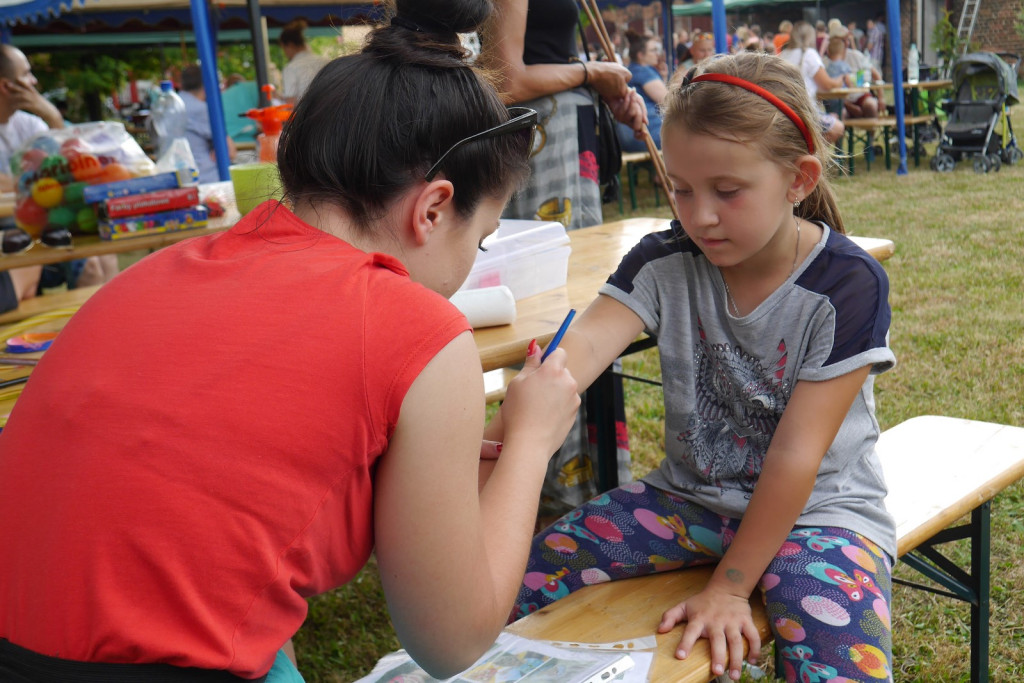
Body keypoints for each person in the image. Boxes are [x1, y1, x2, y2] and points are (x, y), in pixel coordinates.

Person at [0, 2, 582, 681]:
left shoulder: (161, 270)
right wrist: (533, 443)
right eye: (478, 241)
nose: (469, 264)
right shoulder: (417, 329)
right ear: (431, 209)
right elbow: (451, 641)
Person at [503, 50, 896, 683]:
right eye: (681, 188)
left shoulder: (847, 287)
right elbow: (580, 352)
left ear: (798, 179)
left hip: (821, 514)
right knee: (524, 572)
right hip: (688, 502)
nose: (699, 215)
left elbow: (797, 460)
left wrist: (732, 586)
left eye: (727, 192)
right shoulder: (662, 262)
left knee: (839, 662)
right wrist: (512, 422)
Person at [0, 44, 64, 311]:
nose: (34, 81)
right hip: (13, 229)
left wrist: (52, 115)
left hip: (36, 222)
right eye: (27, 74)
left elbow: (67, 169)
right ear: (7, 86)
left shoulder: (30, 123)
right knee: (29, 257)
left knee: (97, 259)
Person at [779, 21, 850, 145]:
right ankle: (812, 153)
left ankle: (804, 151)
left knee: (829, 117)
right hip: (804, 113)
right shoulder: (809, 54)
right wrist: (839, 80)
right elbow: (827, 85)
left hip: (783, 111)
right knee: (837, 127)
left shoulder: (783, 54)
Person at [180, 65, 237, 184]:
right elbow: (230, 151)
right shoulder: (201, 109)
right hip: (204, 177)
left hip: (174, 175)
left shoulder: (171, 106)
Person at [616, 31, 667, 152]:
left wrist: (663, 78)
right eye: (653, 50)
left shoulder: (631, 70)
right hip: (647, 134)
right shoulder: (644, 71)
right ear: (640, 55)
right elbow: (668, 101)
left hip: (628, 136)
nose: (657, 54)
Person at [825, 36, 881, 119]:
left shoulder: (856, 56)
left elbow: (875, 75)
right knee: (841, 113)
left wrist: (881, 98)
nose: (846, 43)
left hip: (855, 97)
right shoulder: (837, 65)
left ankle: (871, 130)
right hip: (842, 100)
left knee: (870, 105)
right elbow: (850, 84)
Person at [279, 20, 329, 104]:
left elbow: (290, 104)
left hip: (306, 116)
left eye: (283, 48)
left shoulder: (291, 68)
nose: (285, 53)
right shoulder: (326, 61)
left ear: (289, 45)